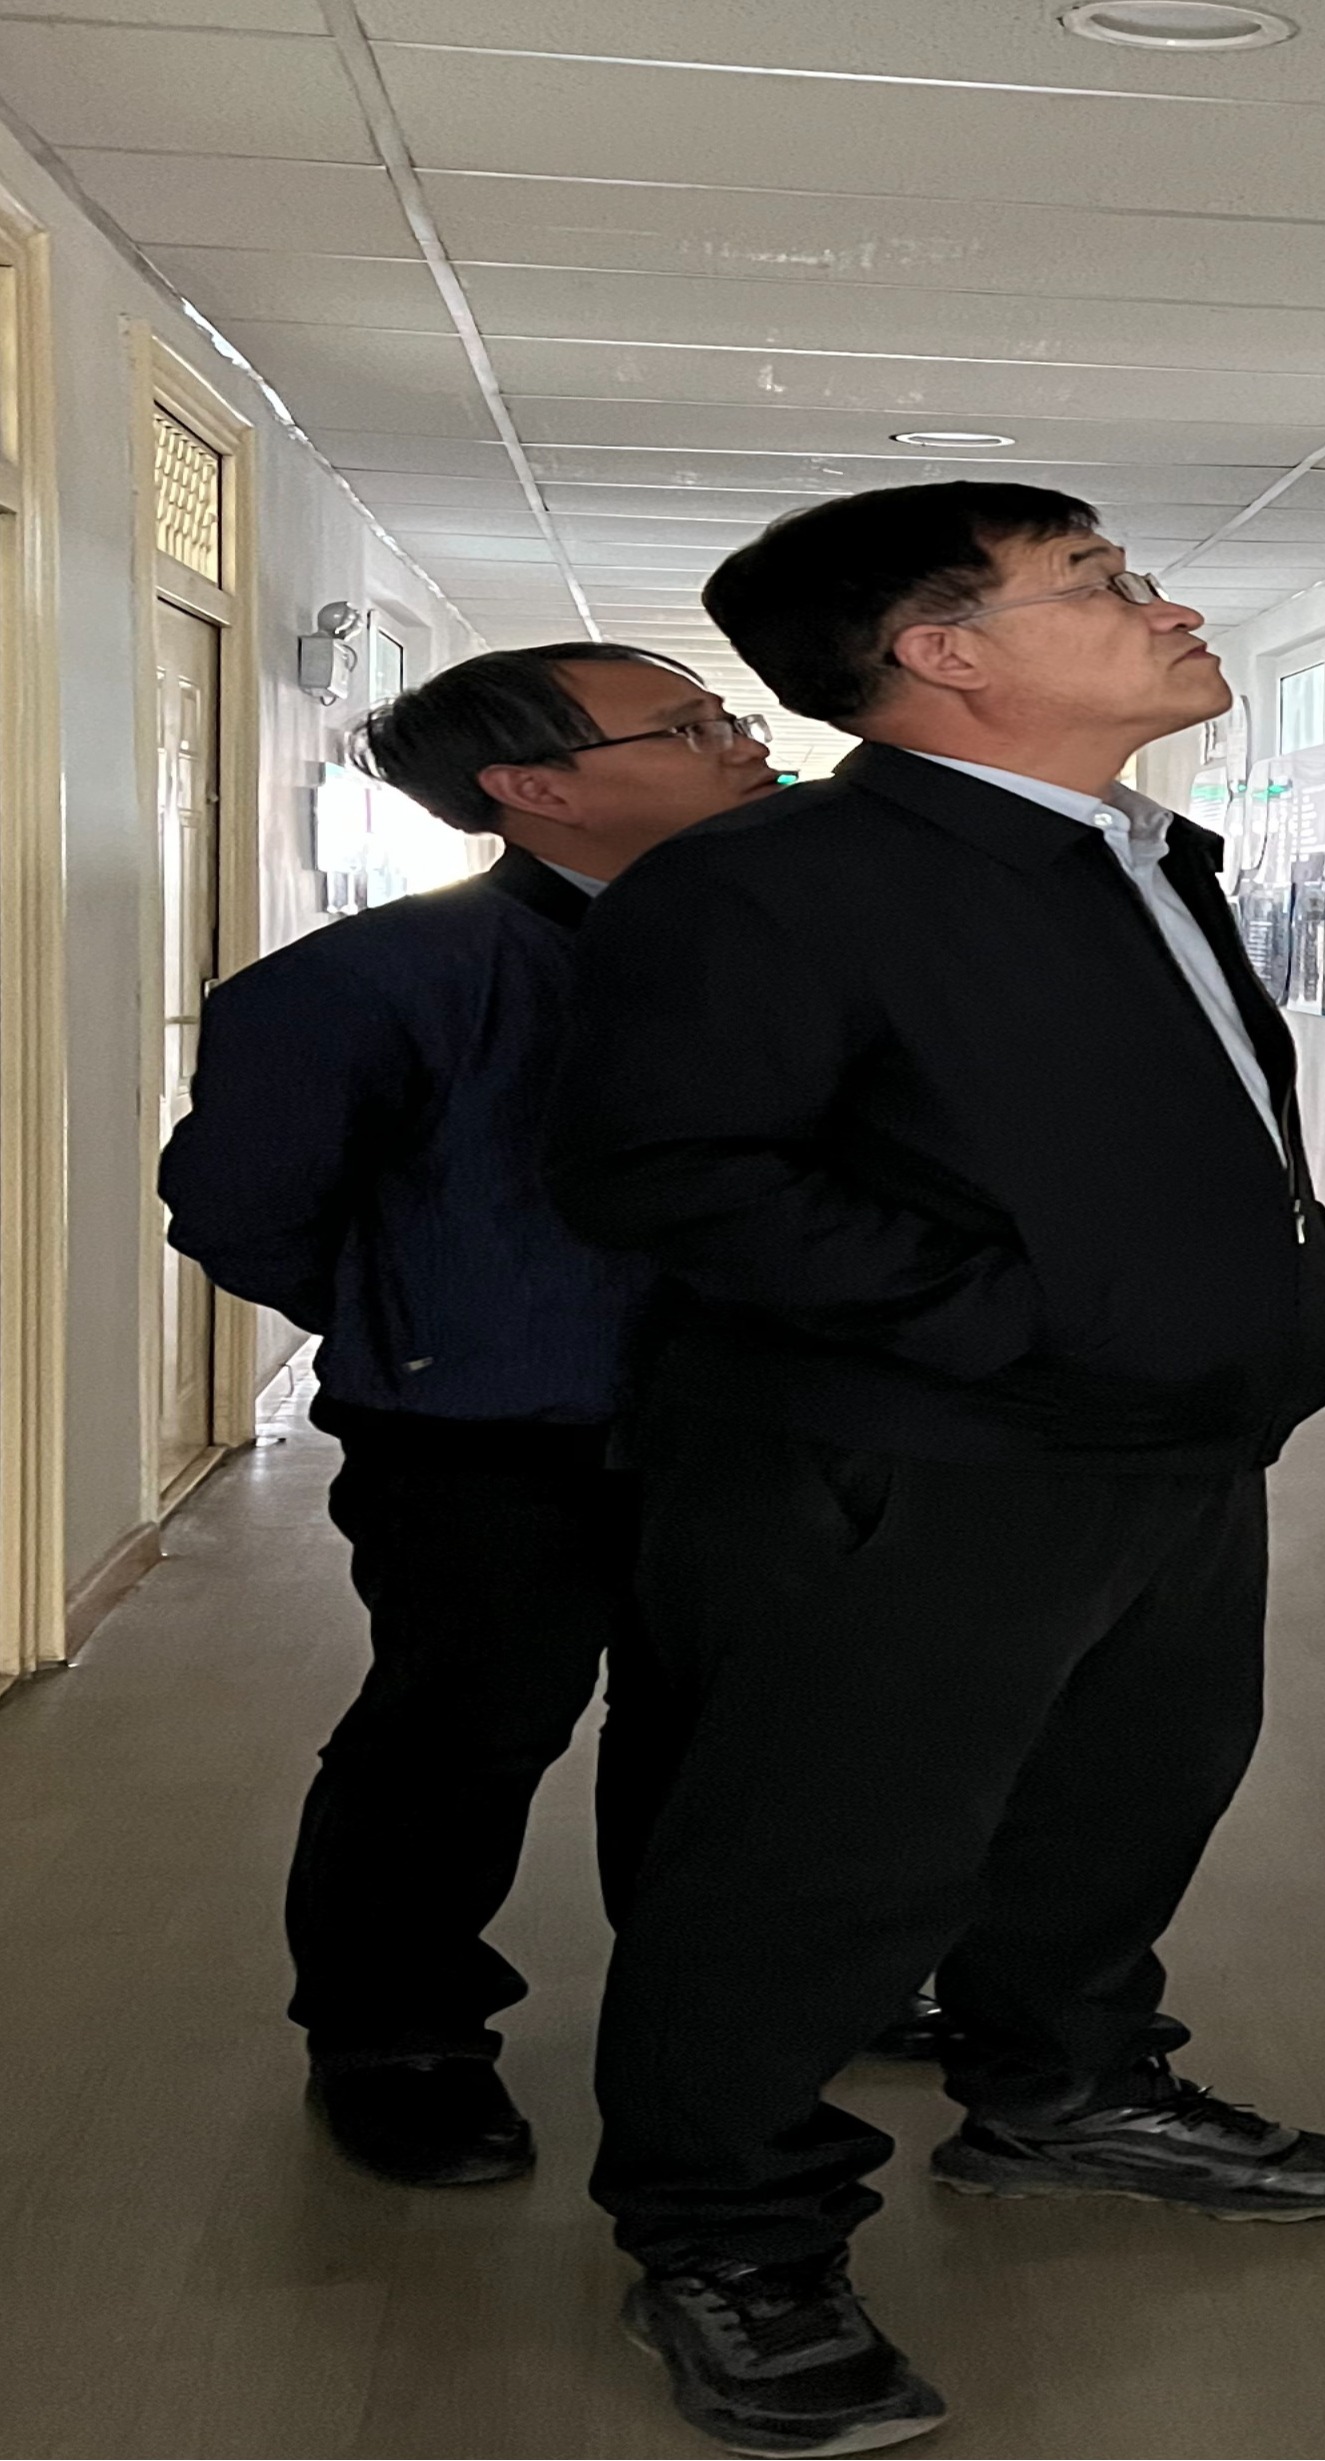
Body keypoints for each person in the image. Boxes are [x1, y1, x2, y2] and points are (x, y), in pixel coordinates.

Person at [547, 484, 1325, 2459]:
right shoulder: (772, 884)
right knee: (815, 1864)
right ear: (941, 653)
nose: (1164, 606)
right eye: (1095, 582)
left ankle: (1064, 2084)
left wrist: (1277, 1315)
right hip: (904, 1463)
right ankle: (731, 2236)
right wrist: (1016, 1322)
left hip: (1167, 1445)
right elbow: (672, 1172)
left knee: (1123, 1797)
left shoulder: (1132, 853)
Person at [157, 645, 776, 2187]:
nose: (740, 742)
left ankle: (721, 2007)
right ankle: (395, 2035)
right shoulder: (372, 983)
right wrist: (430, 1318)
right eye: (688, 725)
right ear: (531, 787)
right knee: (461, 1736)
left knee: (728, 1733)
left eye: (724, 716)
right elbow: (241, 1211)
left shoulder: (775, 952)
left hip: (749, 1422)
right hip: (487, 1439)